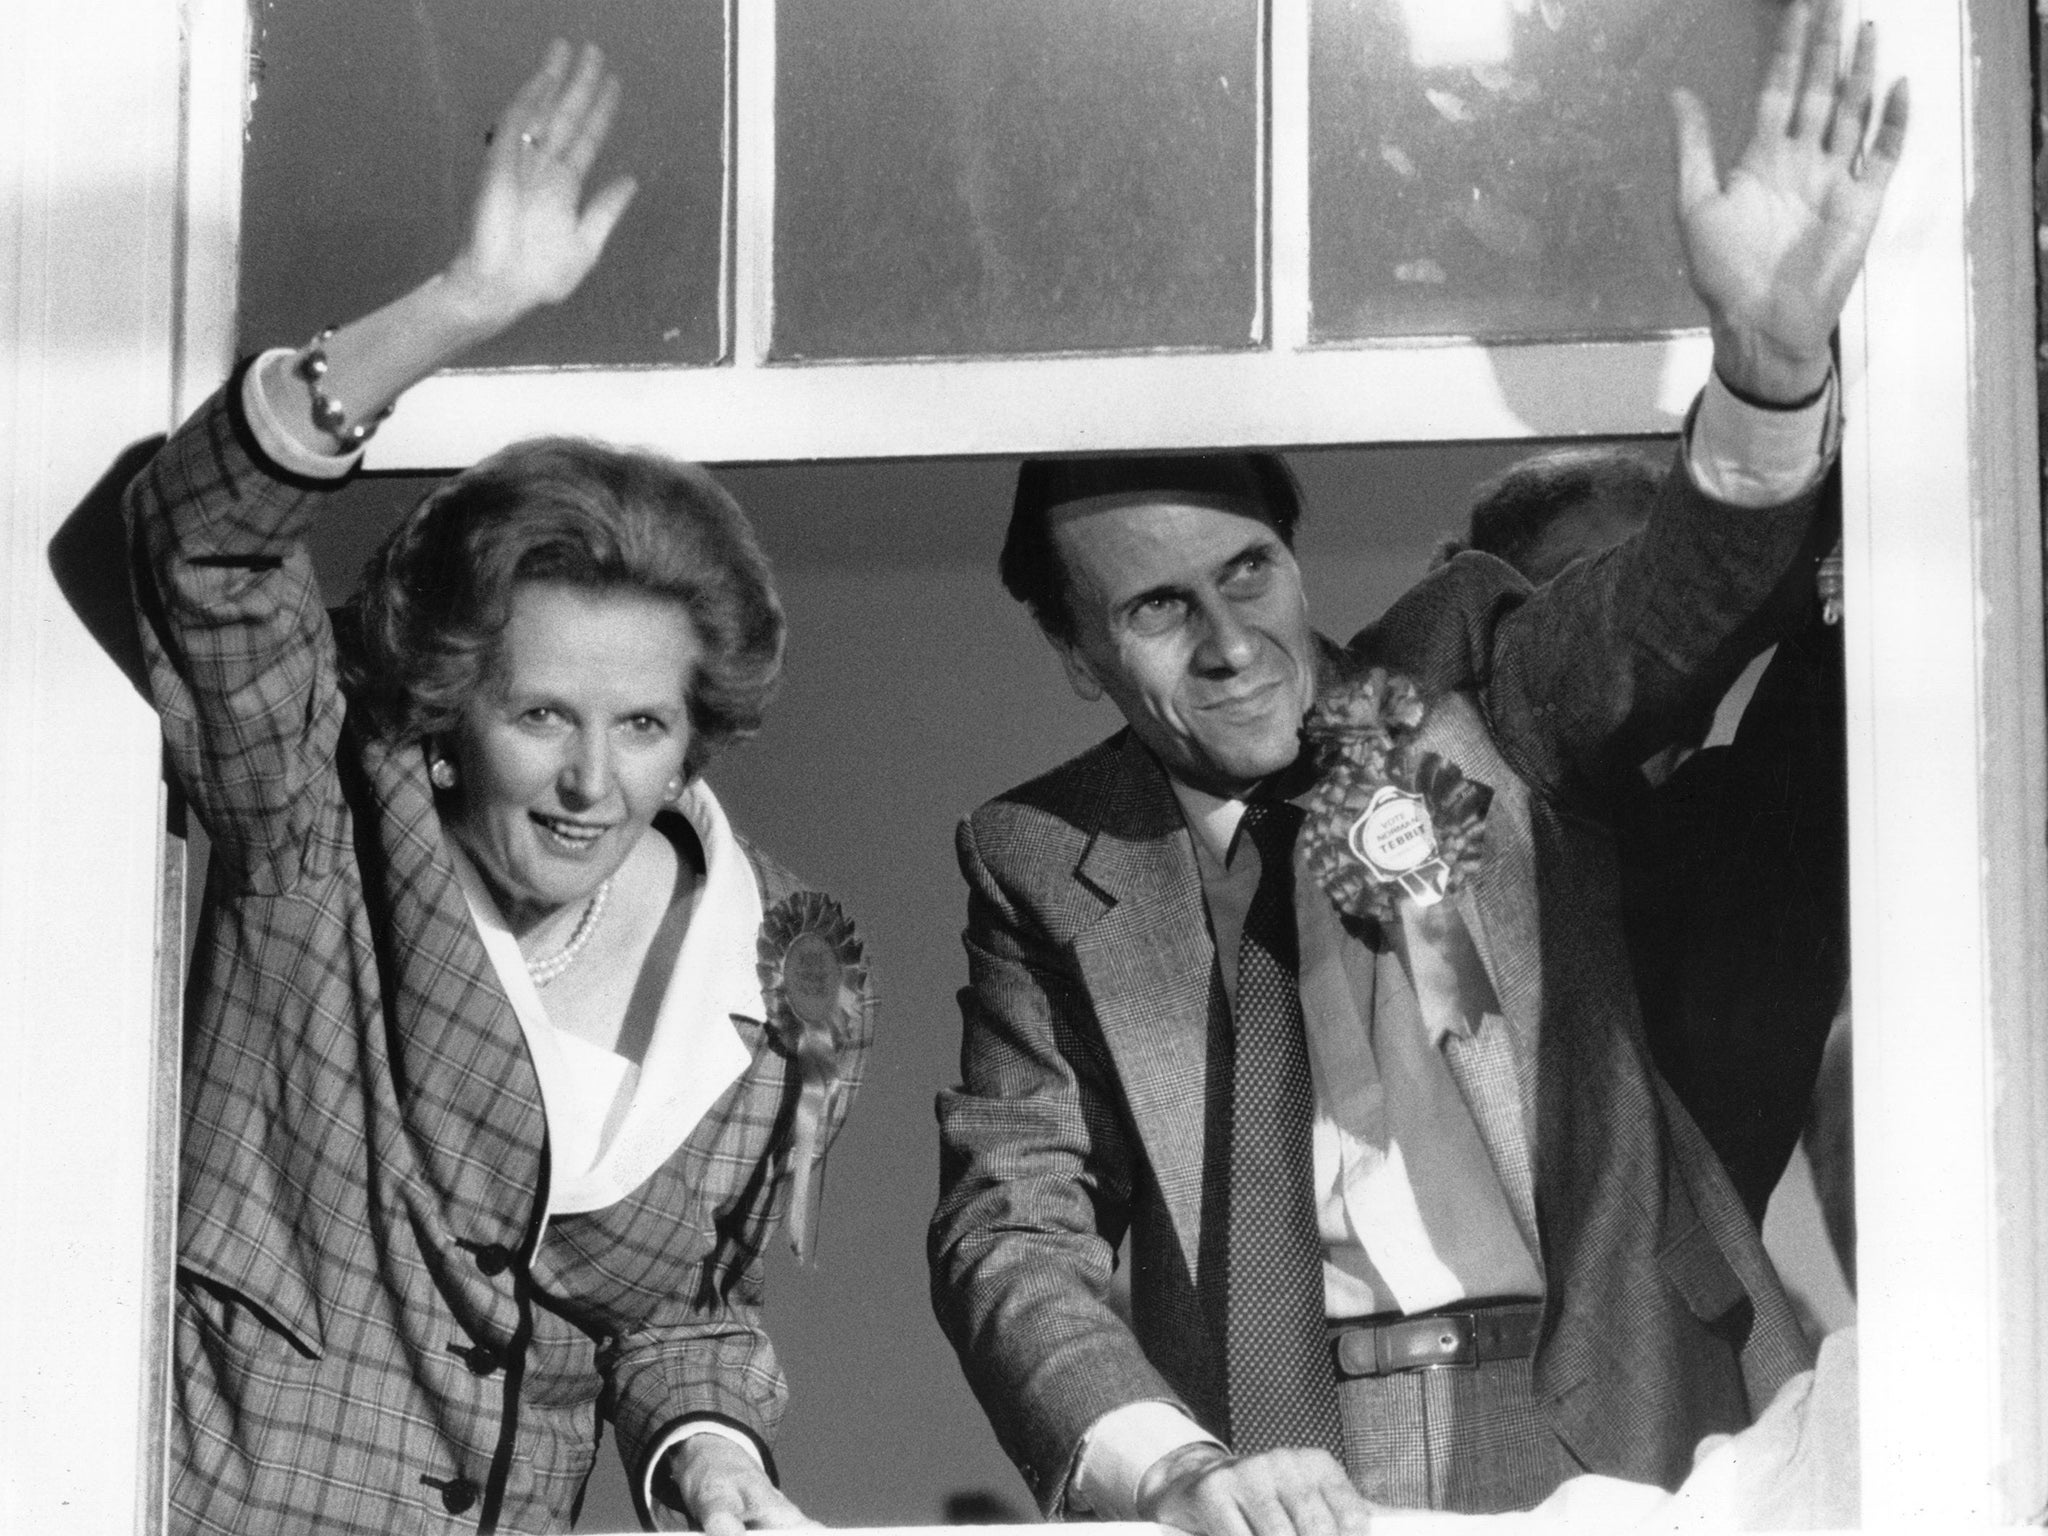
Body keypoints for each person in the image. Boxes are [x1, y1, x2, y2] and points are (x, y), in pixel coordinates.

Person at [927, 5, 1904, 1532]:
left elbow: (1658, 618)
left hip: (1616, 1403)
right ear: (1078, 655)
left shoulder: (1463, 673)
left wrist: (1769, 377)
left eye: (1248, 573)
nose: (1233, 642)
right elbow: (1014, 1221)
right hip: (1285, 1467)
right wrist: (1171, 1467)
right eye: (1158, 609)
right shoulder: (1045, 854)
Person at [131, 44, 873, 1534]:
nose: (596, 782)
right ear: (455, 703)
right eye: (544, 714)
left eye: (648, 726)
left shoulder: (772, 943)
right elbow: (202, 543)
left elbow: (675, 1312)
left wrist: (711, 1455)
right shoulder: (322, 816)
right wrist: (460, 307)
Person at [1441, 448, 1852, 1237]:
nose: (1651, 636)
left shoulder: (1745, 849)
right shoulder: (1411, 806)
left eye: (1678, 599)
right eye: (1589, 585)